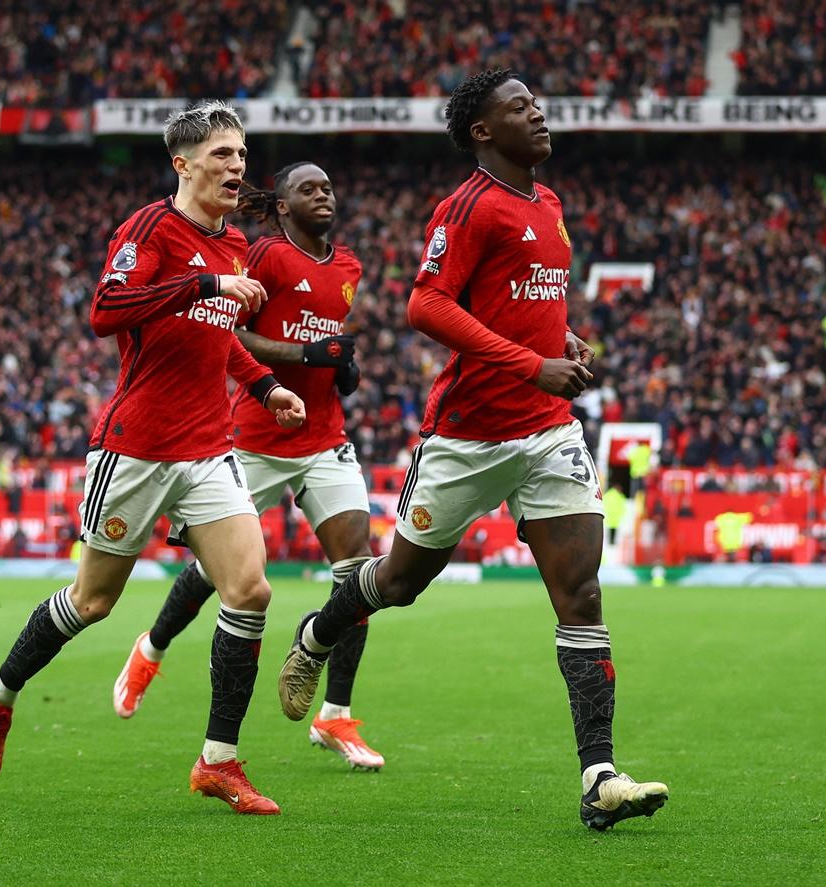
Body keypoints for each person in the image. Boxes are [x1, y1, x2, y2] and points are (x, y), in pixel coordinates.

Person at [275, 69, 668, 831]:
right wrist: (530, 361)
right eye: (520, 106)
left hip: (549, 428)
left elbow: (528, 301)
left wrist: (561, 341)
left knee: (581, 593)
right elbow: (426, 304)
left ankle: (599, 775)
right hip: (467, 434)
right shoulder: (467, 207)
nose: (540, 111)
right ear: (484, 131)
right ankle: (319, 631)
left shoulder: (547, 204)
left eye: (537, 101)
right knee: (397, 581)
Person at [0, 100, 307, 816]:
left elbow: (220, 340)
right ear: (182, 164)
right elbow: (105, 310)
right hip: (135, 448)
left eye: (241, 155)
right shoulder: (151, 229)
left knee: (250, 590)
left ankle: (219, 761)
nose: (236, 167)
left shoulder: (236, 243)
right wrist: (202, 283)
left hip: (209, 448)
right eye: (221, 155)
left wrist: (268, 384)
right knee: (93, 601)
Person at [113, 161, 384, 770]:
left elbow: (329, 343)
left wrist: (341, 365)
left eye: (328, 186)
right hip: (257, 434)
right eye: (307, 189)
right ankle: (152, 647)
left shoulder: (348, 267)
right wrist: (306, 351)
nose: (323, 195)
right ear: (282, 206)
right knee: (217, 574)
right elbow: (227, 334)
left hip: (323, 438)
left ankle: (336, 716)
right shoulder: (259, 255)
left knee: (356, 573)